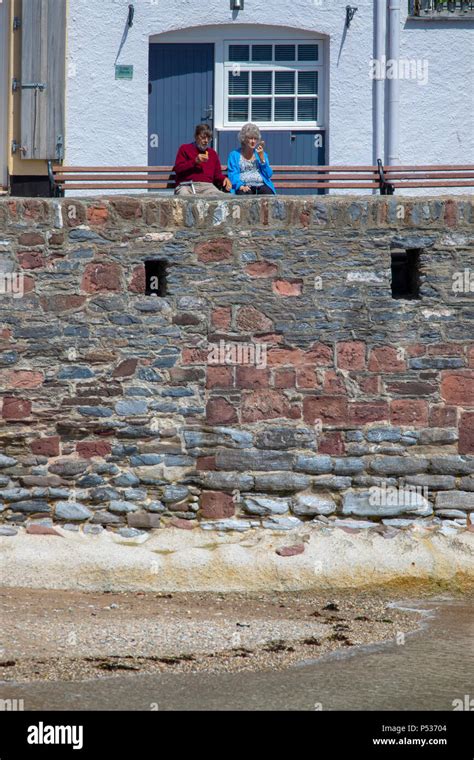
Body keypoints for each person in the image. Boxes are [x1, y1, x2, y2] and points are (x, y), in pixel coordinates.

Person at [174, 124, 232, 196]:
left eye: (209, 138)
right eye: (203, 138)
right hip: (187, 185)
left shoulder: (212, 153)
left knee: (222, 197)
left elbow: (217, 175)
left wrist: (224, 179)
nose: (206, 141)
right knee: (184, 196)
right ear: (196, 137)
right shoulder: (185, 149)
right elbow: (178, 169)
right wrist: (194, 161)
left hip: (207, 187)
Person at [227, 123, 276, 195]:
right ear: (244, 139)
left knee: (268, 195)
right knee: (244, 195)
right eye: (250, 138)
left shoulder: (261, 154)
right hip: (244, 186)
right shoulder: (234, 155)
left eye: (255, 138)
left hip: (261, 185)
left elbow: (268, 174)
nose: (253, 141)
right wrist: (240, 186)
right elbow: (233, 174)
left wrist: (262, 159)